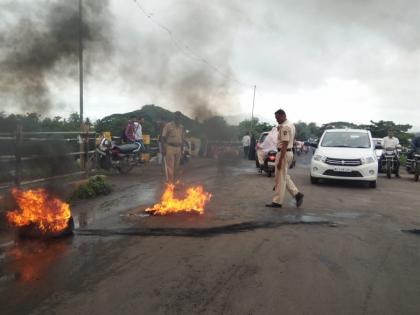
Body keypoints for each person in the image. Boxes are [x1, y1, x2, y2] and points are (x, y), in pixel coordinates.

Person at [266, 109, 304, 208]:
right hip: (288, 152)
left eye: (278, 118)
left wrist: (280, 160)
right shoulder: (290, 124)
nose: (277, 120)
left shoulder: (285, 127)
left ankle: (277, 202)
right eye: (276, 118)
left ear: (283, 116)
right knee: (283, 176)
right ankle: (297, 194)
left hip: (283, 152)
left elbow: (285, 144)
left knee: (280, 178)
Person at [161, 111, 185, 182]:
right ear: (174, 117)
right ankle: (170, 184)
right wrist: (163, 148)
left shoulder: (182, 127)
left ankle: (175, 183)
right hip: (170, 147)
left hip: (178, 148)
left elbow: (182, 138)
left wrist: (182, 149)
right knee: (170, 167)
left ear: (180, 118)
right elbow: (163, 137)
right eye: (176, 116)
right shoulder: (168, 125)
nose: (178, 118)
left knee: (176, 167)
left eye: (179, 117)